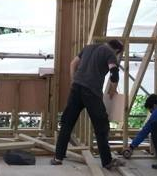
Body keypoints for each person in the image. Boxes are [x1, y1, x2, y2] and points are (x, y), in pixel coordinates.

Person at [53, 39, 125, 170]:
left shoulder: (88, 48)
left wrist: (73, 81)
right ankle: (107, 161)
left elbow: (73, 63)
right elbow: (114, 73)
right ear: (117, 50)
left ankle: (58, 157)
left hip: (76, 88)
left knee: (67, 123)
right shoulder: (110, 53)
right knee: (101, 126)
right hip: (91, 92)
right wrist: (113, 89)